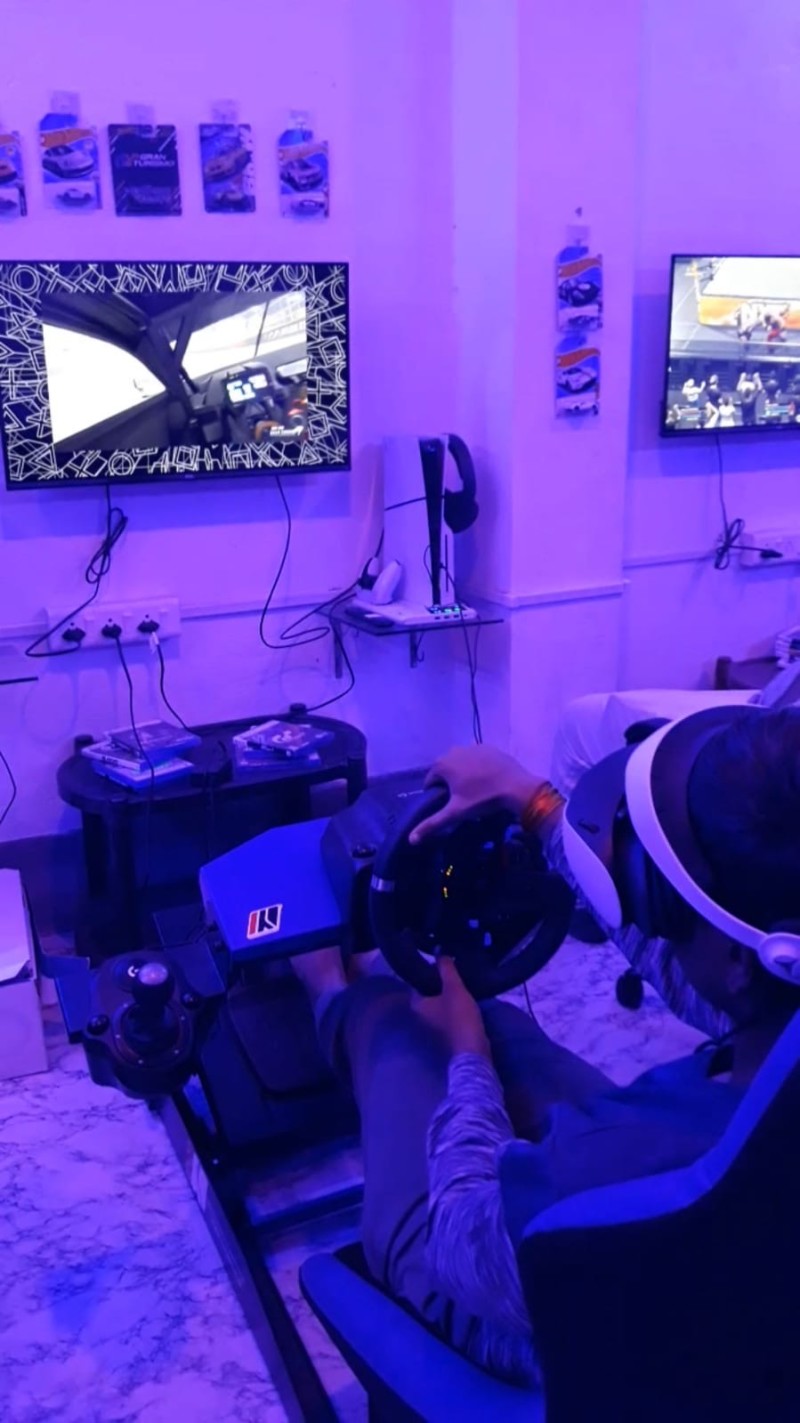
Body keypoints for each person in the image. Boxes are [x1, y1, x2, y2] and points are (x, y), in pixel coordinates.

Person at [293, 711, 800, 1387]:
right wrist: (534, 806)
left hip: (584, 1348)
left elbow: (463, 1246)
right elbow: (719, 982)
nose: (655, 919)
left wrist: (467, 1057)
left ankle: (334, 999)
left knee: (396, 1022)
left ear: (742, 960)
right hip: (739, 1305)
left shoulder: (615, 1162)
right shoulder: (768, 1005)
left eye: (665, 907)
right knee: (498, 1024)